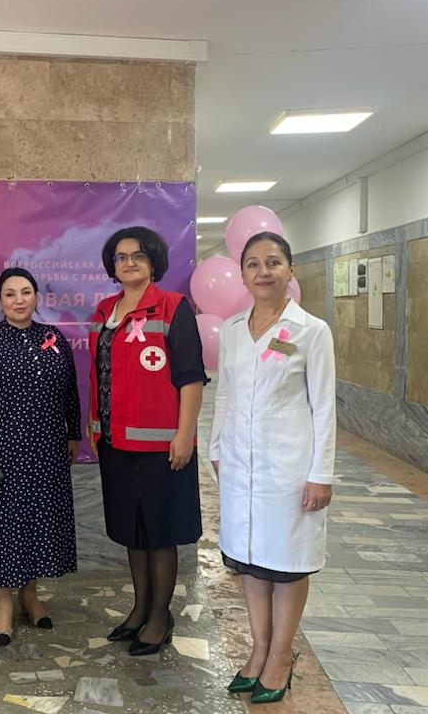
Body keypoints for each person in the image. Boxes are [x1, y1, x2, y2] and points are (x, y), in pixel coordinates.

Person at [209, 231, 335, 704]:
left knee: (286, 563)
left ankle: (281, 656)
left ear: (290, 270)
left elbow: (324, 407)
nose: (263, 271)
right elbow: (225, 393)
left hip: (289, 468)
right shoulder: (232, 329)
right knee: (250, 560)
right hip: (239, 464)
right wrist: (216, 448)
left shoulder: (311, 331)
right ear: (242, 274)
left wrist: (321, 473)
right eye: (253, 264)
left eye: (273, 262)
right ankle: (258, 650)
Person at [88, 226, 207, 656]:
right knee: (132, 532)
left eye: (138, 255)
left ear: (153, 261)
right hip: (115, 442)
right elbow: (100, 373)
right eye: (121, 257)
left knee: (159, 533)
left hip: (162, 446)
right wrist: (95, 424)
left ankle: (160, 616)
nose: (129, 262)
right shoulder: (105, 311)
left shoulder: (173, 307)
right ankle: (140, 609)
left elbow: (191, 377)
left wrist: (184, 434)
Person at [0, 267, 80, 646]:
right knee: (3, 524)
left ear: (36, 297)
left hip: (47, 449)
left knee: (38, 521)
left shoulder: (53, 337)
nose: (18, 300)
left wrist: (73, 433)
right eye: (10, 293)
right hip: (0, 451)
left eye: (25, 292)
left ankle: (30, 594)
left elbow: (70, 390)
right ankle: (3, 602)